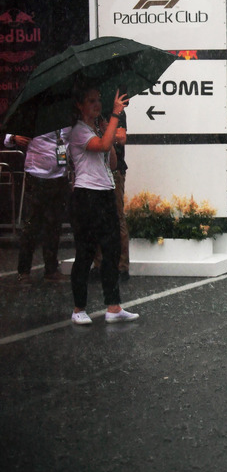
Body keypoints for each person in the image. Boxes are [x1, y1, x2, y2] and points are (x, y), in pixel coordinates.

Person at [67, 86, 138, 325]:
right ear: (80, 105)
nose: (97, 105)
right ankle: (79, 308)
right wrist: (115, 116)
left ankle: (113, 306)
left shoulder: (97, 128)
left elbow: (113, 161)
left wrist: (110, 133)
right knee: (86, 252)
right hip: (87, 196)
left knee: (112, 251)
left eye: (98, 100)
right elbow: (102, 146)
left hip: (106, 192)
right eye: (91, 101)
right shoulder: (78, 130)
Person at [4, 130, 71, 284]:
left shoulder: (67, 119)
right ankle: (24, 271)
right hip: (36, 176)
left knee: (54, 226)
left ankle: (51, 270)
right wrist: (15, 138)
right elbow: (7, 140)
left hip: (59, 176)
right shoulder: (35, 117)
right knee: (32, 225)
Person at [92, 110, 130, 280]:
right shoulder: (88, 112)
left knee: (116, 216)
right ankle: (99, 264)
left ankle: (121, 266)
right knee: (97, 218)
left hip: (114, 170)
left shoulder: (116, 112)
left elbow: (122, 137)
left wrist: (106, 133)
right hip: (93, 170)